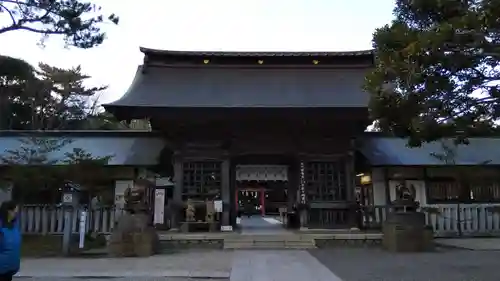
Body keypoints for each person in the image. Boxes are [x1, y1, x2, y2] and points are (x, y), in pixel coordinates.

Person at [0, 201, 21, 281]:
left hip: (10, 268)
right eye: (15, 211)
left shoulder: (14, 225)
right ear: (8, 211)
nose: (16, 213)